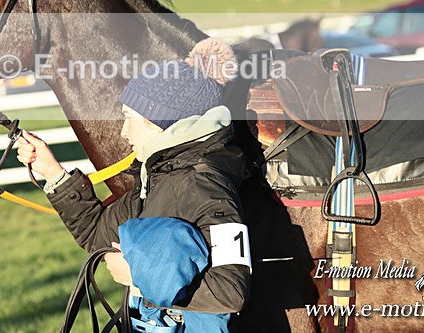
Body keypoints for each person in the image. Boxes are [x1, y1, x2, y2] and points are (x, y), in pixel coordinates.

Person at [17, 38, 252, 332]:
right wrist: (52, 172)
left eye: (129, 119)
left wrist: (138, 278)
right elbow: (97, 235)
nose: (124, 132)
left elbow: (231, 291)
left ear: (159, 123)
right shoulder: (159, 175)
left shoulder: (206, 185)